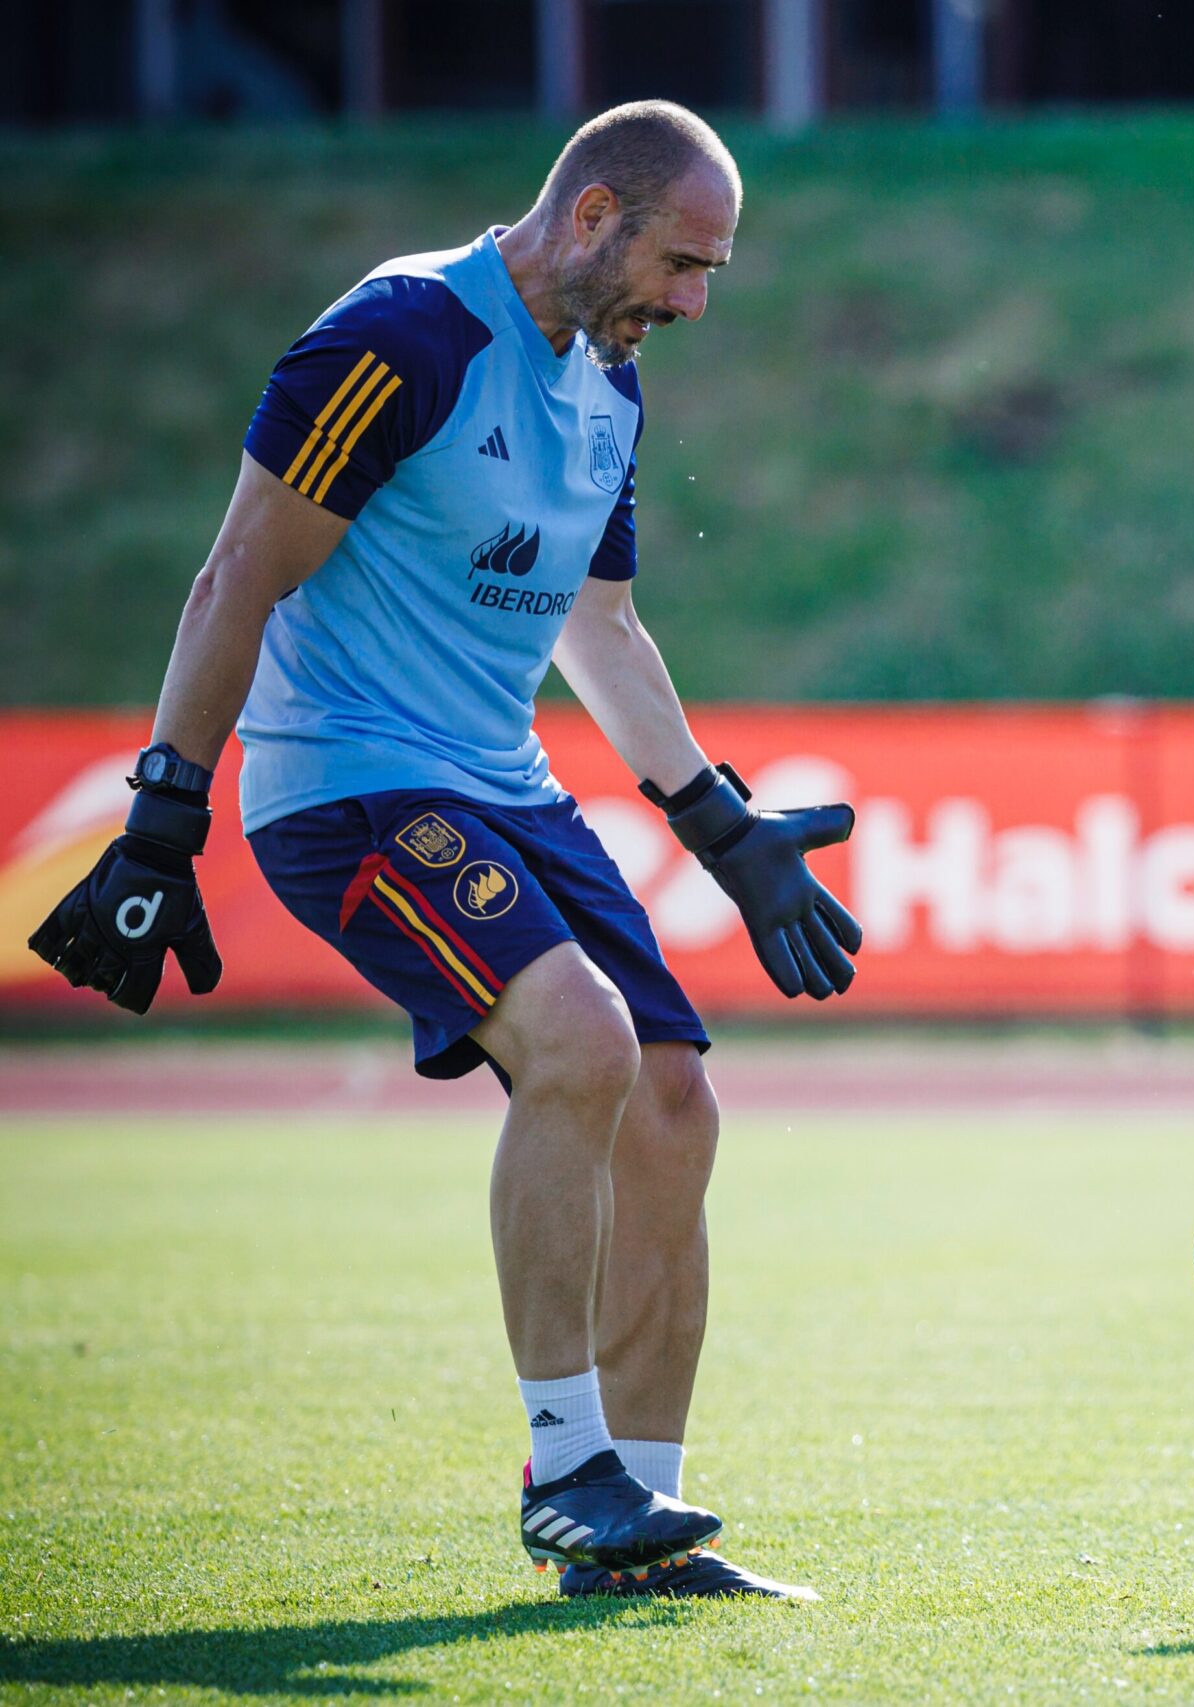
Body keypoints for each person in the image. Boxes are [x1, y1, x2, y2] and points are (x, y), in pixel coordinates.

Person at [26, 101, 862, 1602]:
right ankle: (566, 1470)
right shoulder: (400, 337)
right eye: (685, 261)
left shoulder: (608, 389)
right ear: (595, 212)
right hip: (346, 781)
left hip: (504, 784)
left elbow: (598, 629)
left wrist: (719, 824)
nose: (697, 301)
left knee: (675, 1094)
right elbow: (238, 568)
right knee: (583, 1043)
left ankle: (641, 1526)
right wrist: (166, 811)